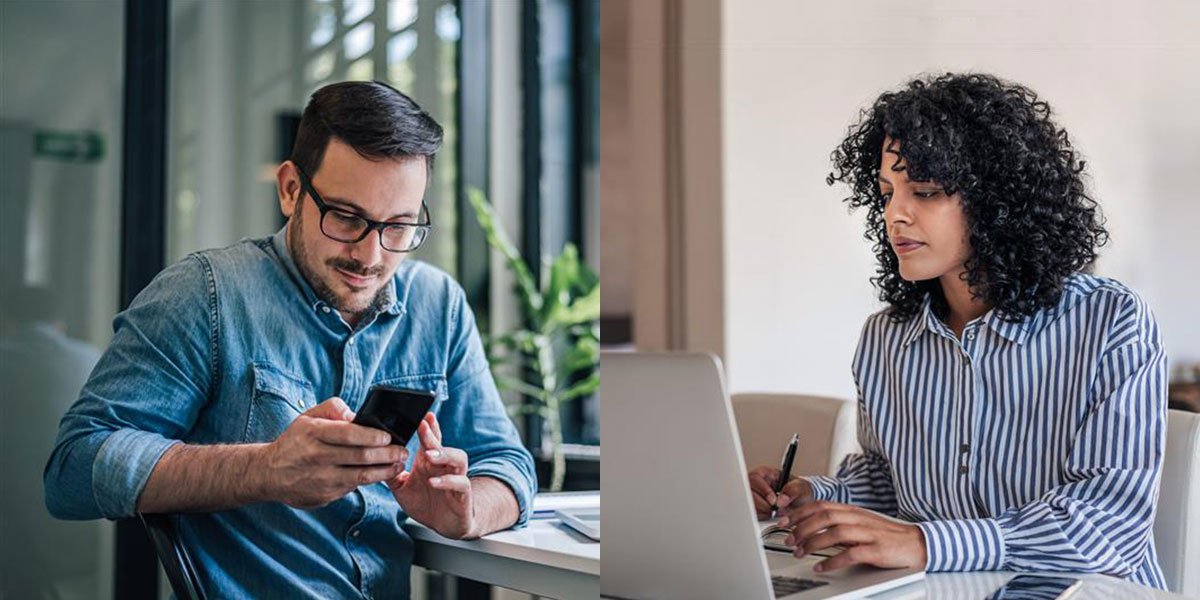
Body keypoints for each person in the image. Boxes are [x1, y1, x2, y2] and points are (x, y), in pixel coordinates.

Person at [44, 81, 537, 598]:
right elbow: (73, 470)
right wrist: (268, 468)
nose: (370, 257)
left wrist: (467, 509)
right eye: (346, 217)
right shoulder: (204, 295)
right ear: (290, 190)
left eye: (399, 226)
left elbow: (508, 465)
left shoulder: (440, 305)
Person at [748, 73, 1167, 589]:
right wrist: (814, 496)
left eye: (924, 191)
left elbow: (1110, 529)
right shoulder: (887, 338)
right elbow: (887, 479)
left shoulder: (1111, 322)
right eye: (886, 192)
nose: (895, 214)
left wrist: (925, 544)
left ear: (998, 201)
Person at [1, 287, 102, 598]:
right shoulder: (91, 359)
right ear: (60, 323)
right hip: (82, 530)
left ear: (7, 322)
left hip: (13, 538)